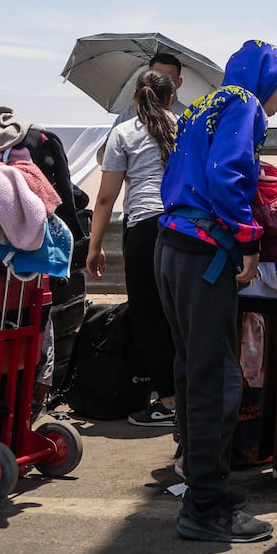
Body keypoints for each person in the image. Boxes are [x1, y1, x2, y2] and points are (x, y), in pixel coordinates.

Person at [155, 40, 277, 544]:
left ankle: (204, 489)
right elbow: (228, 175)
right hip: (206, 256)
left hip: (170, 246)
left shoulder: (201, 105)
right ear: (267, 79)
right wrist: (249, 240)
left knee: (193, 372)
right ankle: (205, 508)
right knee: (218, 380)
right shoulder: (244, 103)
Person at [86, 69, 178, 426]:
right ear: (171, 97)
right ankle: (187, 394)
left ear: (136, 99)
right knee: (179, 313)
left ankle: (168, 401)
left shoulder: (123, 134)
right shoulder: (185, 128)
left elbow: (106, 197)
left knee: (148, 315)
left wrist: (95, 247)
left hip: (144, 229)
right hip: (184, 227)